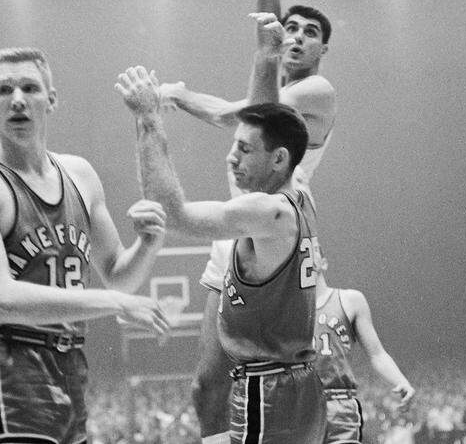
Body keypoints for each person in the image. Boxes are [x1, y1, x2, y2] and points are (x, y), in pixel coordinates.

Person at [157, 0, 337, 444]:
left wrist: (177, 95)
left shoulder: (314, 92)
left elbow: (232, 115)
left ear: (322, 50)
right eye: (293, 27)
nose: (299, 36)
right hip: (237, 231)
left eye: (312, 32)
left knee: (277, 374)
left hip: (278, 233)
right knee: (206, 389)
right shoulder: (269, 74)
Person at [0, 46, 170, 444]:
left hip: (70, 364)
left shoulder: (80, 174)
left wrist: (149, 242)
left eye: (30, 87)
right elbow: (2, 300)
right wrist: (116, 304)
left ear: (51, 99)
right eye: (4, 90)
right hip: (9, 367)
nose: (17, 99)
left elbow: (119, 275)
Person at [116, 45, 327, 443]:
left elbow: (171, 212)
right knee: (207, 410)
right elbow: (253, 112)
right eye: (233, 145)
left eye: (244, 150)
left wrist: (148, 118)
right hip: (287, 388)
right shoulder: (298, 197)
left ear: (279, 159)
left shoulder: (270, 214)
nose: (231, 159)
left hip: (271, 394)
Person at [312, 255, 415, 444]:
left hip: (339, 401)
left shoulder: (350, 300)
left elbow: (377, 353)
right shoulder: (284, 307)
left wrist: (401, 381)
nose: (307, 252)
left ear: (325, 262)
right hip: (298, 403)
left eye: (313, 248)